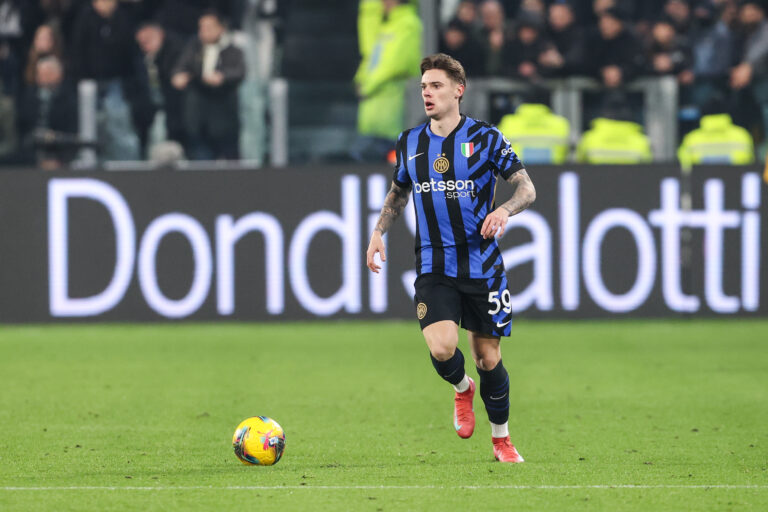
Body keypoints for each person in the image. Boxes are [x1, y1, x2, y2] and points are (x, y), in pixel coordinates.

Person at [365, 53, 536, 463]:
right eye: (424, 86)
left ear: (458, 90)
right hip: (433, 264)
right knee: (442, 347)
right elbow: (398, 192)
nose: (428, 93)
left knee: (487, 357)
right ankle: (462, 390)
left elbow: (526, 189)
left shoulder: (487, 138)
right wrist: (377, 233)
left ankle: (502, 438)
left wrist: (503, 210)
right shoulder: (410, 142)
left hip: (482, 267)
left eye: (436, 86)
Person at [352, 0, 422, 162]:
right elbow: (372, 58)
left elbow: (394, 63)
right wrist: (361, 79)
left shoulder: (409, 24)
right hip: (372, 114)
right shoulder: (387, 25)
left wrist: (367, 86)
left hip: (391, 114)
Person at [172, 10, 245, 160]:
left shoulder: (233, 50)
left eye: (209, 27)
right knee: (201, 157)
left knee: (229, 157)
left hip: (224, 114)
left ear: (221, 28)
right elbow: (180, 68)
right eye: (202, 27)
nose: (204, 32)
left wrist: (222, 77)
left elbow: (239, 72)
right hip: (198, 115)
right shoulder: (193, 48)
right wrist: (180, 76)